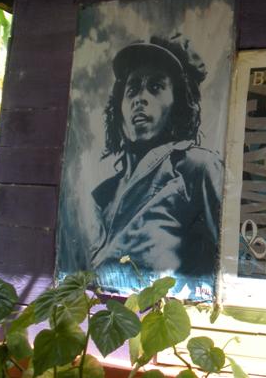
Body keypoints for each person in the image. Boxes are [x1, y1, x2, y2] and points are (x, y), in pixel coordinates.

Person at [88, 34, 222, 298]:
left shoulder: (196, 168)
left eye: (156, 87)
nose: (140, 98)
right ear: (119, 107)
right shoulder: (102, 194)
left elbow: (223, 257)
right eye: (132, 89)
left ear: (178, 103)